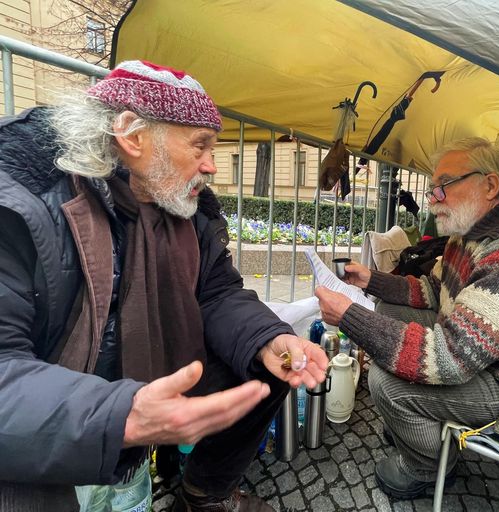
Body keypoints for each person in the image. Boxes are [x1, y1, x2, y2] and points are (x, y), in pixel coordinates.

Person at [0, 60, 327, 512]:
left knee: (268, 365)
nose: (211, 166)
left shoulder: (185, 208)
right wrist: (120, 416)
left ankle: (202, 494)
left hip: (132, 394)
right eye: (200, 146)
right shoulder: (22, 199)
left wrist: (269, 338)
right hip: (52, 415)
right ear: (132, 137)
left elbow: (217, 291)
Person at [316, 137, 499, 500]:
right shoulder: (469, 233)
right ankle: (415, 423)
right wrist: (371, 280)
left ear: (490, 185)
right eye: (432, 188)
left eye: (443, 186)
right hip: (479, 355)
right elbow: (434, 292)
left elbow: (447, 360)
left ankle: (429, 467)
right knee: (386, 311)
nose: (431, 197)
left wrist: (348, 316)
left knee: (385, 383)